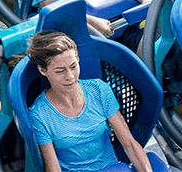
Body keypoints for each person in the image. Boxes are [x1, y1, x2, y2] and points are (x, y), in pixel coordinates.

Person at [26, 30, 153, 172]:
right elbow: (53, 168)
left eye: (73, 66)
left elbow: (129, 144)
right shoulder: (39, 114)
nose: (70, 76)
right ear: (43, 70)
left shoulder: (99, 90)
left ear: (78, 59)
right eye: (60, 71)